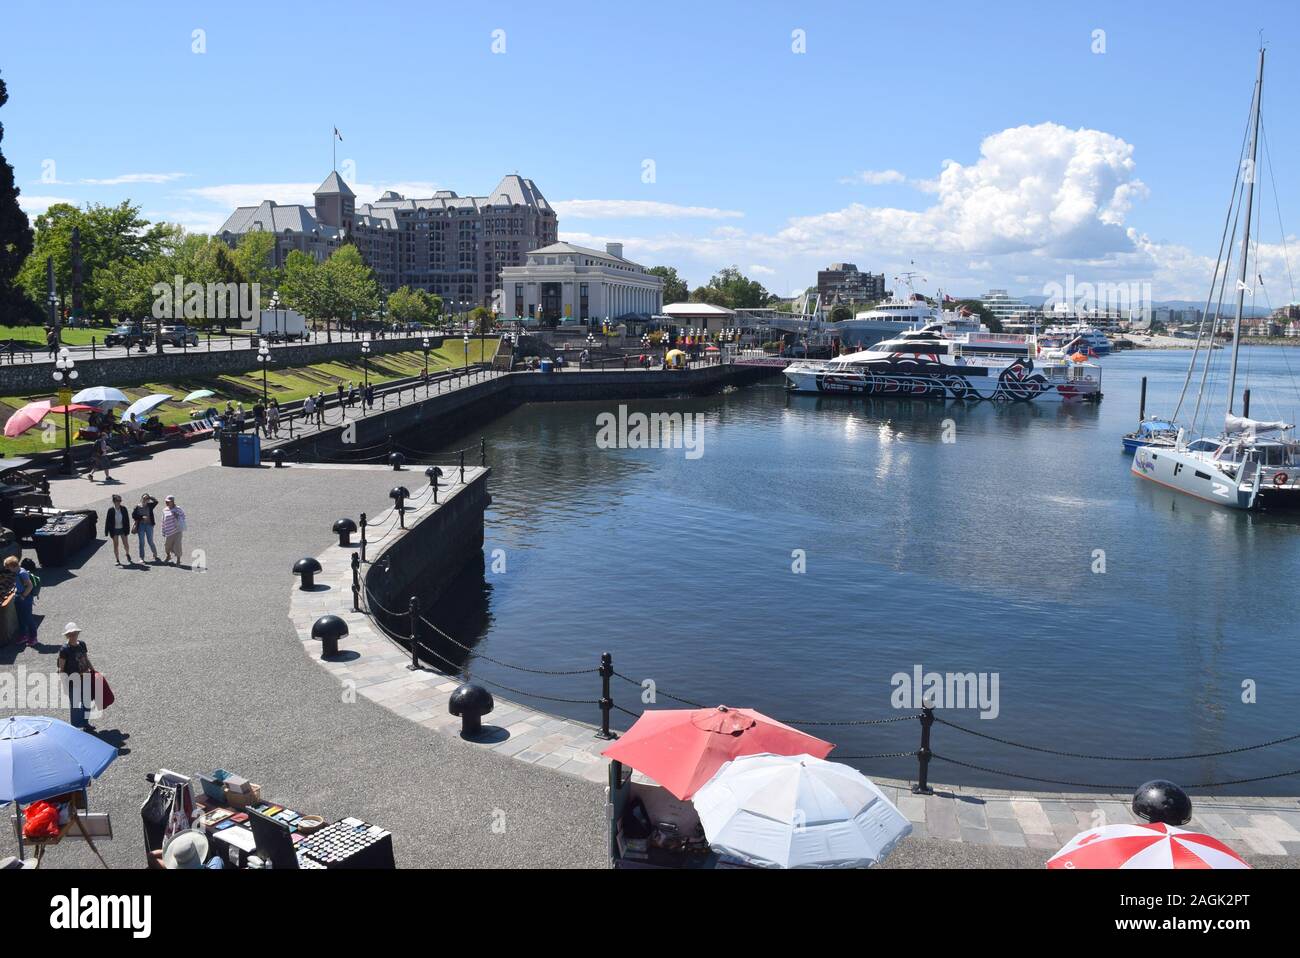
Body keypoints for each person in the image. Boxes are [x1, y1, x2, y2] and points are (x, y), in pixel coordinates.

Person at [57, 623, 93, 730]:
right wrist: (64, 683)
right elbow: (61, 668)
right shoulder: (64, 649)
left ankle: (86, 723)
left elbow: (86, 659)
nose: (73, 636)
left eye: (75, 633)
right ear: (67, 636)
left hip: (85, 677)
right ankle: (76, 729)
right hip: (73, 681)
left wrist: (93, 670)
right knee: (76, 705)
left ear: (78, 633)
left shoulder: (82, 644)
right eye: (70, 634)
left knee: (87, 703)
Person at [4, 556, 37, 647]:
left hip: (24, 597)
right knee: (20, 617)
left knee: (28, 618)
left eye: (8, 567)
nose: (7, 569)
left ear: (13, 566)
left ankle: (33, 637)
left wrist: (23, 596)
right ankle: (23, 635)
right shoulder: (17, 572)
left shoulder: (22, 573)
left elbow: (29, 586)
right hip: (18, 596)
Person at [104, 493, 133, 565]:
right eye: (118, 500)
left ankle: (127, 553)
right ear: (114, 501)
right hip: (114, 530)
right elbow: (107, 521)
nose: (119, 502)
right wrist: (106, 531)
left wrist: (127, 530)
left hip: (123, 529)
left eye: (120, 500)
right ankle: (117, 560)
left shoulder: (123, 508)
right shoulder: (110, 510)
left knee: (125, 543)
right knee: (116, 545)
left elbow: (127, 520)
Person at [132, 493, 161, 563]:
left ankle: (155, 554)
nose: (145, 499)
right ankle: (142, 558)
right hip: (141, 525)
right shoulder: (137, 507)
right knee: (141, 542)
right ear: (141, 498)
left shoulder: (150, 505)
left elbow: (156, 502)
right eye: (144, 498)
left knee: (150, 541)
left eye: (147, 498)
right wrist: (142, 517)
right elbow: (134, 516)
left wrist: (150, 497)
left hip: (149, 525)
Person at [160, 496, 187, 564]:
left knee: (178, 546)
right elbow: (163, 521)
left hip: (177, 531)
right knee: (167, 546)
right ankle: (168, 556)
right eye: (166, 501)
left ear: (172, 502)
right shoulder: (165, 510)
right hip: (168, 532)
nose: (166, 502)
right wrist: (163, 530)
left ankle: (178, 560)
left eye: (168, 501)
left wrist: (177, 515)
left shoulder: (178, 509)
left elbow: (183, 517)